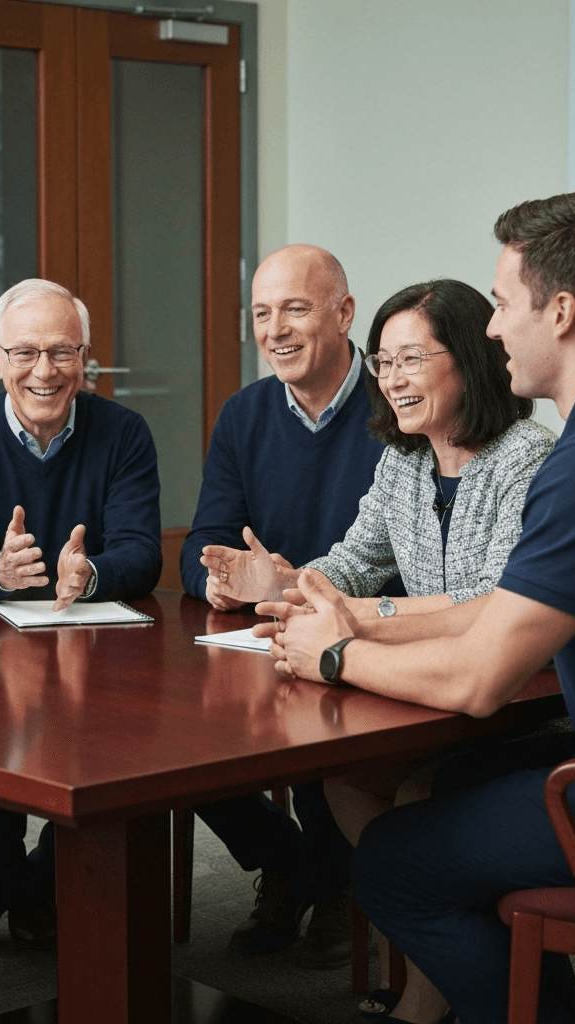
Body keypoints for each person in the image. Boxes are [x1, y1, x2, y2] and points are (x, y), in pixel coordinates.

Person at [257, 191, 575, 1024]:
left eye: (504, 304)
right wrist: (360, 619)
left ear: (561, 311)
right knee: (444, 789)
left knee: (394, 866)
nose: (491, 328)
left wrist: (334, 656)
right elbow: (501, 607)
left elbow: (482, 680)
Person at [205, 277, 556, 1018]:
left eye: (411, 360)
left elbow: (495, 601)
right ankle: (458, 937)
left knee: (421, 793)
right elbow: (355, 557)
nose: (391, 380)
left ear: (468, 359)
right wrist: (298, 583)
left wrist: (357, 615)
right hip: (428, 686)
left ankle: (426, 1001)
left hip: (524, 701)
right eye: (382, 363)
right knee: (349, 780)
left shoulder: (527, 457)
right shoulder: (405, 460)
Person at [0, 278, 161, 953]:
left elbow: (144, 553)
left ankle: (15, 887)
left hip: (102, 648)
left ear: (86, 358)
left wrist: (91, 574)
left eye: (62, 352)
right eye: (25, 352)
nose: (45, 371)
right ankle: (11, 881)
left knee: (122, 750)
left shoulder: (125, 433)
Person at [180, 244, 404, 967]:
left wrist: (299, 586)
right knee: (177, 744)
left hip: (362, 640)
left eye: (296, 309)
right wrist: (217, 579)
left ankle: (333, 881)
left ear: (344, 314)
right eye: (262, 313)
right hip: (260, 638)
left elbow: (410, 562)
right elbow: (205, 538)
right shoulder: (244, 414)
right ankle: (300, 866)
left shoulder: (396, 406)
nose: (276, 329)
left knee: (317, 734)